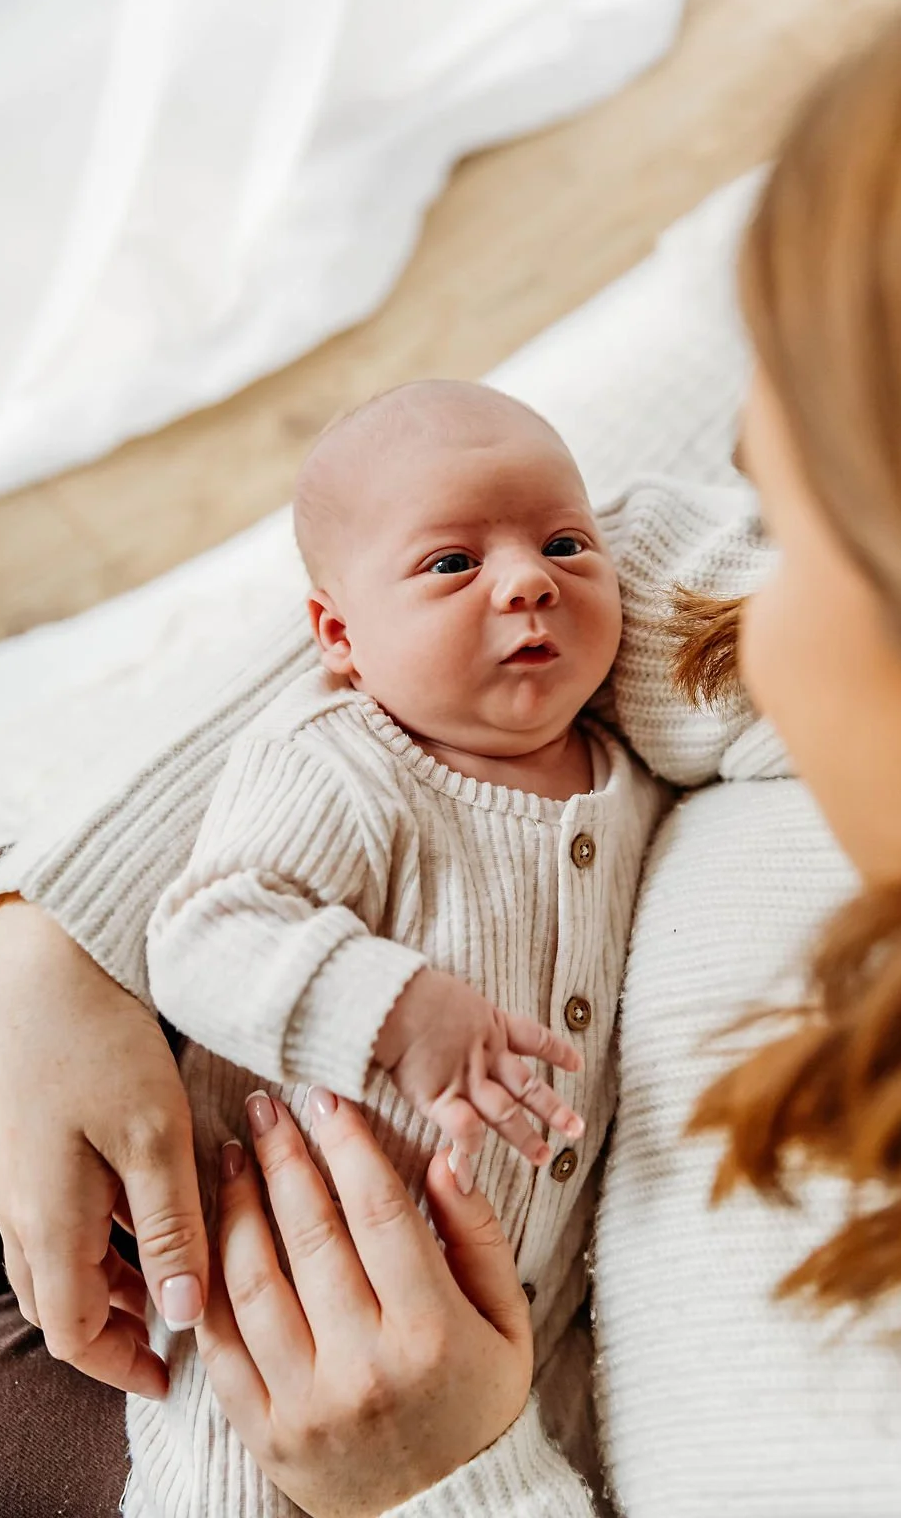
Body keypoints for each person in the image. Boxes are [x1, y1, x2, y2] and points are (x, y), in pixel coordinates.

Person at [0, 0, 901, 1511]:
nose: (735, 568)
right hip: (145, 1054)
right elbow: (465, 592)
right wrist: (66, 929)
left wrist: (441, 1479)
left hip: (257, 1389)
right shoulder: (780, 675)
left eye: (801, 536)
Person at [133, 378, 667, 1516]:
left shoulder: (631, 773)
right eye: (450, 565)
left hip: (519, 1325)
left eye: (566, 543)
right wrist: (396, 1006)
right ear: (339, 636)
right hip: (280, 1289)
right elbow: (202, 935)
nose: (530, 580)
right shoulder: (340, 760)